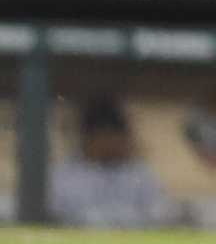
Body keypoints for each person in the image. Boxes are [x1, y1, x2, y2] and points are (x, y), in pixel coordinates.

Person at [49, 95, 170, 229]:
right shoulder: (63, 176)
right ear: (90, 137)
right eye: (106, 137)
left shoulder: (139, 174)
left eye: (119, 137)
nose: (115, 144)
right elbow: (55, 217)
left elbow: (159, 214)